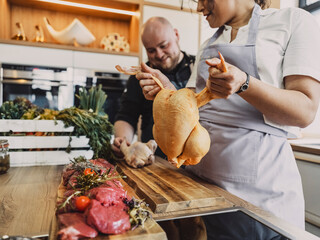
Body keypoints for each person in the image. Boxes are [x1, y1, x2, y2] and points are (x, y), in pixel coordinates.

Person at [136, 0, 320, 233]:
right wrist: (168, 91)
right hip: (201, 193)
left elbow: (305, 111)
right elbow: (196, 109)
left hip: (256, 200)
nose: (199, 7)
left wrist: (245, 84)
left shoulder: (292, 22)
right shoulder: (208, 45)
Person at [112, 17, 195, 159]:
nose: (159, 54)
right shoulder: (140, 77)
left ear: (176, 35)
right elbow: (126, 115)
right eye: (151, 50)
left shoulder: (198, 69)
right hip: (153, 161)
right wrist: (122, 140)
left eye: (163, 46)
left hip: (193, 159)